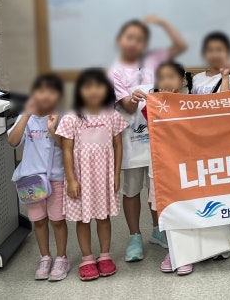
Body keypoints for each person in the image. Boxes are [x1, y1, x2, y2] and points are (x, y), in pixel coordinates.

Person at [107, 16, 187, 263]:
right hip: (130, 140)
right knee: (131, 190)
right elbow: (128, 107)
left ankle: (158, 230)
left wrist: (163, 23)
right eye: (130, 38)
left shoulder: (155, 62)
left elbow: (181, 46)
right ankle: (134, 236)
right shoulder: (115, 71)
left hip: (158, 139)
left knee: (157, 188)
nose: (134, 43)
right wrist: (133, 99)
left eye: (140, 39)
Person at [57, 68, 129, 281]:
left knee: (103, 217)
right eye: (88, 86)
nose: (94, 91)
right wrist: (71, 179)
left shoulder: (113, 116)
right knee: (83, 219)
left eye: (99, 86)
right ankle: (87, 258)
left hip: (104, 176)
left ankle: (105, 256)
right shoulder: (71, 118)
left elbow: (118, 145)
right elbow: (66, 150)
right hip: (81, 178)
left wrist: (116, 175)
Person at [7, 74, 69, 282]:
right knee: (39, 221)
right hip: (31, 181)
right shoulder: (27, 117)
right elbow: (12, 142)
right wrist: (26, 115)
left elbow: (67, 147)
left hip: (55, 178)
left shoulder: (62, 117)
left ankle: (61, 258)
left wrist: (52, 129)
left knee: (57, 220)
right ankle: (45, 257)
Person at [142, 61, 196, 275]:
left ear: (182, 80)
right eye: (161, 78)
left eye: (170, 77)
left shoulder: (191, 102)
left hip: (185, 167)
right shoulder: (153, 104)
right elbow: (149, 119)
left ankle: (186, 252)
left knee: (185, 208)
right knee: (166, 209)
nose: (165, 82)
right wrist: (161, 100)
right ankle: (174, 250)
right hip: (161, 167)